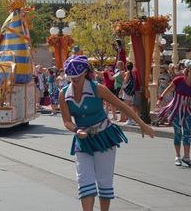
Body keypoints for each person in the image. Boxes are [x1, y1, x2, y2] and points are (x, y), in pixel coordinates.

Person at [59, 55, 154, 211]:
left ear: (84, 73)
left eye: (77, 77)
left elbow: (122, 106)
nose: (74, 81)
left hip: (104, 137)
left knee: (104, 180)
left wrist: (142, 124)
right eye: (71, 78)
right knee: (84, 180)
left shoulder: (97, 88)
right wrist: (77, 130)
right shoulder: (64, 94)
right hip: (83, 140)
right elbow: (67, 121)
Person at [157, 63, 191, 167]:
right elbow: (169, 89)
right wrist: (160, 99)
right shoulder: (179, 80)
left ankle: (187, 157)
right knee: (177, 133)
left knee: (187, 133)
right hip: (175, 109)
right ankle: (177, 156)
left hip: (187, 111)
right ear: (189, 70)